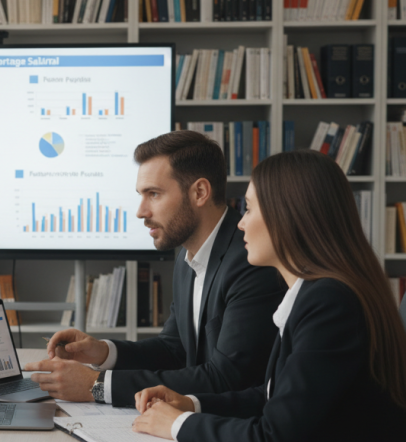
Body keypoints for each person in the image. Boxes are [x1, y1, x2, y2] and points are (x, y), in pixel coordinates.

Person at [131, 150, 406, 442]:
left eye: (248, 209)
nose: (241, 224)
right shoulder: (313, 294)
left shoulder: (330, 303)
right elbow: (271, 396)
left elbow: (273, 441)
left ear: (289, 215)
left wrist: (177, 425)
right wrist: (191, 403)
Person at [25, 130, 285, 406]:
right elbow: (174, 348)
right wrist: (102, 352)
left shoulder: (250, 260)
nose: (141, 211)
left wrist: (96, 385)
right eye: (141, 195)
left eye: (154, 194)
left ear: (199, 192)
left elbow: (228, 378)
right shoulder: (188, 254)